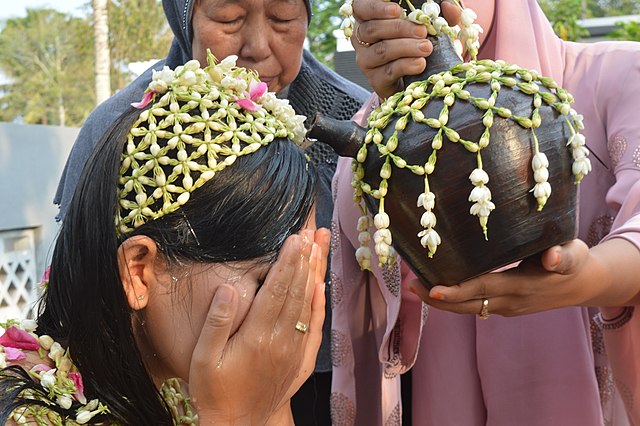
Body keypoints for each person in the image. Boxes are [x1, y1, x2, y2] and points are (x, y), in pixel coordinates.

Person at [53, 0, 369, 423]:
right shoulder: (118, 130)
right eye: (228, 19)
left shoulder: (359, 118)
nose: (257, 46)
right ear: (185, 22)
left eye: (283, 18)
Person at [330, 0, 640, 424]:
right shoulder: (378, 128)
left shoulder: (620, 75)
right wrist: (403, 116)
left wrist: (593, 280)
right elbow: (373, 261)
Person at [0, 56, 330, 424]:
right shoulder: (21, 411)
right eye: (271, 280)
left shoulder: (174, 384)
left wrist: (273, 403)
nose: (294, 309)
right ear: (139, 271)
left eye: (306, 273)